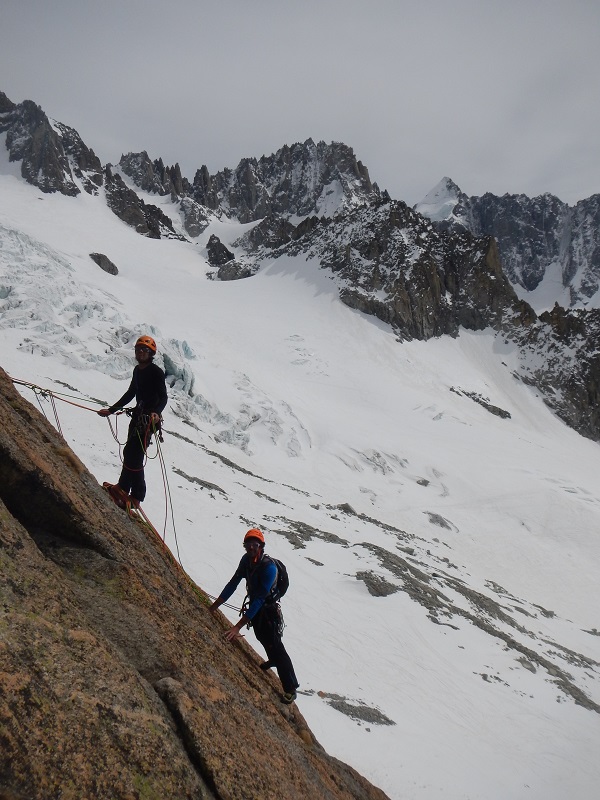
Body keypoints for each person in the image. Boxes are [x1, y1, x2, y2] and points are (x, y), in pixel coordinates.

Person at [209, 528, 299, 704]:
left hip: (268, 610)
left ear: (261, 546)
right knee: (261, 635)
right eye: (248, 544)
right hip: (259, 606)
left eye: (254, 545)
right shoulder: (246, 561)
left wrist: (237, 627)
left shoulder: (269, 568)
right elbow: (233, 583)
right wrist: (213, 607)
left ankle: (291, 688)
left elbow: (258, 601)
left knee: (275, 644)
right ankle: (272, 659)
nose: (251, 548)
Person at [98, 335, 167, 507]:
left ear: (151, 354)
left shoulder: (156, 372)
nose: (141, 353)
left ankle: (136, 496)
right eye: (138, 350)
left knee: (134, 456)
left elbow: (163, 397)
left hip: (147, 420)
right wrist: (111, 410)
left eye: (145, 350)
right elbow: (131, 393)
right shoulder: (137, 371)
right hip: (138, 417)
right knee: (130, 453)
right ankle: (123, 488)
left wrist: (157, 413)